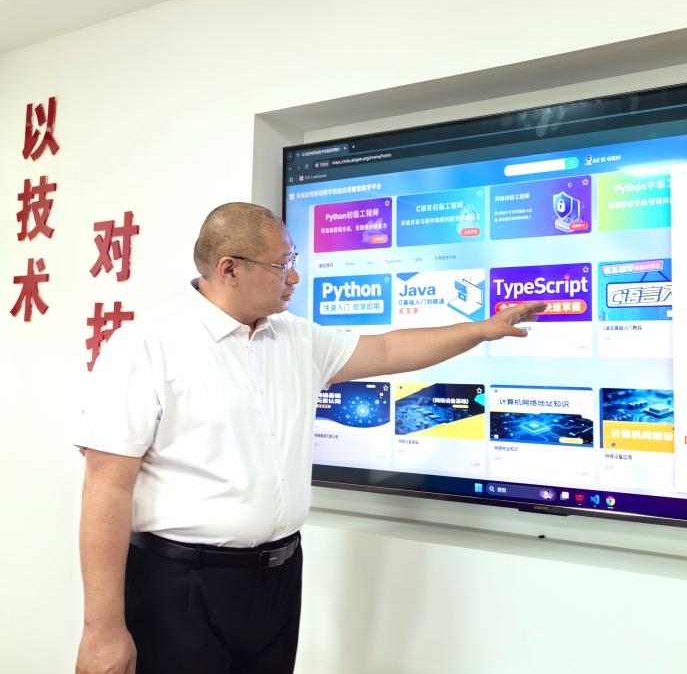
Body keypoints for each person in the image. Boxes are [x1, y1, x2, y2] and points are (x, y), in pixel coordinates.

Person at [74, 202, 545, 674]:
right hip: (181, 586)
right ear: (230, 269)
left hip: (277, 580)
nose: (294, 277)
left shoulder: (296, 338)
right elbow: (106, 488)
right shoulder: (147, 346)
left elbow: (387, 349)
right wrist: (102, 630)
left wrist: (483, 330)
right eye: (282, 265)